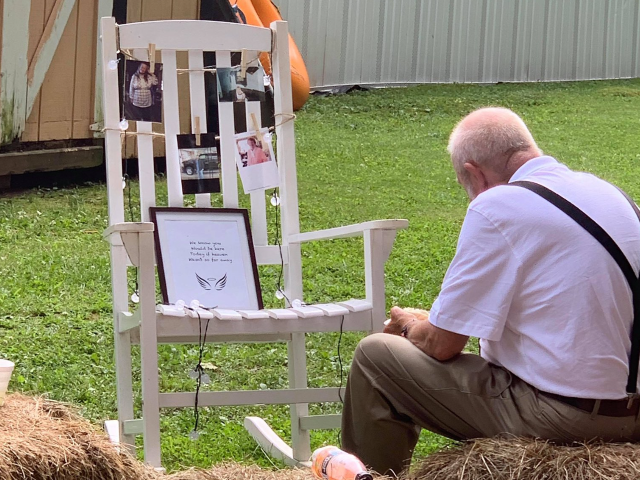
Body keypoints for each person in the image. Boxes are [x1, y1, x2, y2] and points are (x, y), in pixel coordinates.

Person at [340, 107, 640, 476]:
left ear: (473, 173)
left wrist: (408, 326)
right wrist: (434, 322)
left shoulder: (498, 205)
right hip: (632, 413)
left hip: (568, 418)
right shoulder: (610, 194)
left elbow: (442, 345)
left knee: (376, 357)